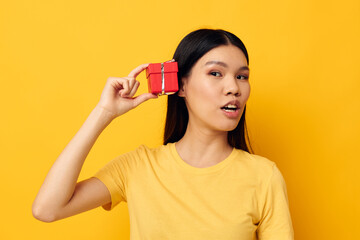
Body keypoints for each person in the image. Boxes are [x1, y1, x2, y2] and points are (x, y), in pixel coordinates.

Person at [32, 28, 294, 239]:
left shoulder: (263, 176)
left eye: (242, 77)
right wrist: (104, 113)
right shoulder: (138, 167)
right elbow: (47, 209)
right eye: (216, 73)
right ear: (180, 85)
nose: (233, 88)